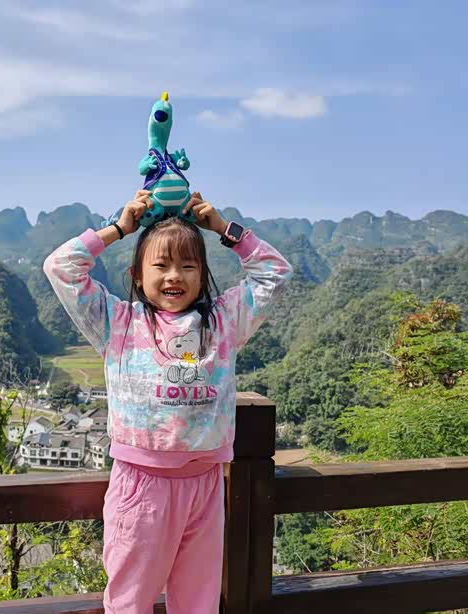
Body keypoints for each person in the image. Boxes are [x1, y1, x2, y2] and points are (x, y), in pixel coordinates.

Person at [43, 189, 293, 613]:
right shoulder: (118, 323)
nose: (174, 275)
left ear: (203, 275)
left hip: (206, 482)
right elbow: (61, 267)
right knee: (130, 601)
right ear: (138, 275)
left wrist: (223, 228)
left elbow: (276, 273)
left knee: (198, 603)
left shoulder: (222, 323)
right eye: (160, 265)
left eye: (188, 266)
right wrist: (119, 228)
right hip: (141, 485)